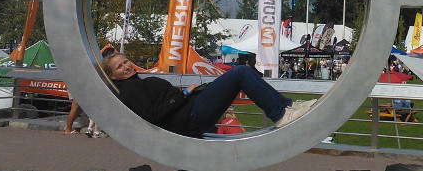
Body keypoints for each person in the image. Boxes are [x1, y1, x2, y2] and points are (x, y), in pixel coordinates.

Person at [102, 52, 315, 137]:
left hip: (191, 112)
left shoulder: (135, 83)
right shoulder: (130, 90)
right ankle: (281, 114)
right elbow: (152, 115)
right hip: (189, 118)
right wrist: (183, 93)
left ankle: (286, 107)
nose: (126, 67)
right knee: (240, 72)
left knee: (243, 73)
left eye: (126, 61)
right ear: (113, 76)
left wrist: (184, 94)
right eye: (119, 67)